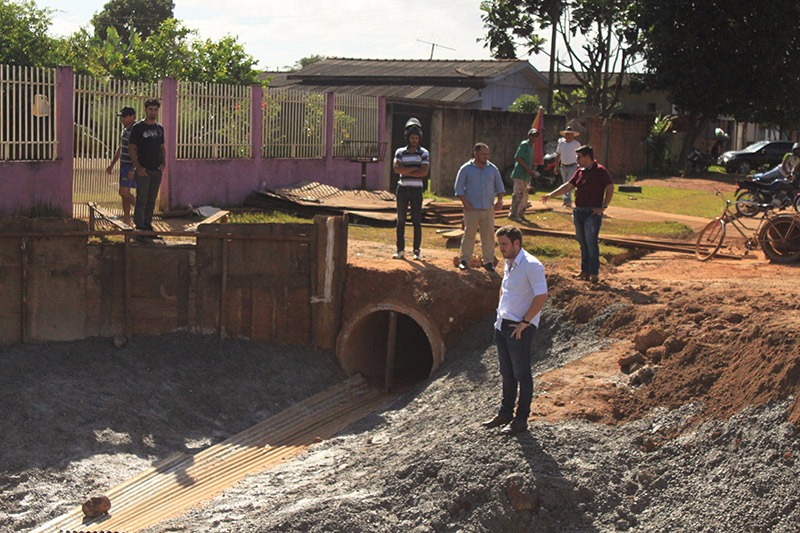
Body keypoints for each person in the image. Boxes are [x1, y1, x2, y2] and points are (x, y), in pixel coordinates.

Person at [482, 225, 549, 435]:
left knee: (522, 374)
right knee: (507, 372)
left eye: (504, 244)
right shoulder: (509, 263)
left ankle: (521, 420)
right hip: (502, 324)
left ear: (516, 243)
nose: (500, 248)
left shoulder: (532, 265)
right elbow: (505, 288)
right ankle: (505, 413)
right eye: (499, 244)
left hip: (519, 327)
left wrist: (526, 322)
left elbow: (542, 296)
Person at [541, 145, 613, 283]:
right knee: (582, 242)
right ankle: (584, 271)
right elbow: (569, 185)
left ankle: (594, 273)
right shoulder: (580, 171)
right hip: (579, 211)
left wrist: (604, 206)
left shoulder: (600, 171)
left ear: (587, 157)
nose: (577, 160)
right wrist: (551, 194)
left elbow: (610, 186)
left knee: (591, 243)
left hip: (592, 212)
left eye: (579, 157)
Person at [454, 143, 506, 272]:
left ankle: (488, 261)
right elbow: (458, 188)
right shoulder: (466, 169)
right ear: (475, 153)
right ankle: (465, 260)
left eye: (487, 154)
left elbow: (500, 187)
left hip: (488, 208)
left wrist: (500, 201)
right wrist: (465, 203)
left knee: (488, 235)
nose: (486, 157)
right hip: (471, 209)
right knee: (469, 234)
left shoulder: (492, 169)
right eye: (483, 154)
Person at [128, 98, 166, 241]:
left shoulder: (159, 129)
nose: (153, 112)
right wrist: (138, 167)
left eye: (155, 109)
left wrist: (164, 164)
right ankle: (139, 227)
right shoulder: (138, 128)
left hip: (156, 170)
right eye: (150, 109)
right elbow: (132, 148)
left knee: (152, 200)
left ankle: (148, 226)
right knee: (141, 199)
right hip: (143, 170)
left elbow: (162, 148)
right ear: (145, 110)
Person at [392, 118, 430, 260]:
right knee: (400, 220)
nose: (414, 140)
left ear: (419, 138)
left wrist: (405, 170)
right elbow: (396, 169)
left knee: (416, 220)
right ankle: (400, 250)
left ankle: (416, 251)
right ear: (407, 138)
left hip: (416, 190)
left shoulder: (424, 152)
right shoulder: (400, 151)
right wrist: (415, 168)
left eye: (416, 138)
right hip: (402, 189)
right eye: (412, 137)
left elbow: (424, 172)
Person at [105, 106, 136, 226]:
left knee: (123, 192)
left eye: (124, 116)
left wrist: (133, 168)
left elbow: (137, 150)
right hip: (123, 164)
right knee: (124, 195)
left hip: (130, 164)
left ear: (132, 117)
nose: (122, 119)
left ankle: (141, 209)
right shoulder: (125, 129)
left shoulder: (135, 130)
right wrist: (112, 164)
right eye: (121, 116)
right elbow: (121, 147)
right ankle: (127, 219)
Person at [509, 128, 540, 222]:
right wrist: (528, 169)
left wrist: (532, 168)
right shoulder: (524, 144)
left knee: (525, 196)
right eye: (533, 135)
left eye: (536, 136)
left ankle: (521, 214)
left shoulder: (531, 147)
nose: (534, 138)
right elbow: (518, 158)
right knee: (518, 194)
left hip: (526, 175)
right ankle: (513, 214)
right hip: (519, 174)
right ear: (529, 136)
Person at [554, 126, 582, 208]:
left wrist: (580, 165)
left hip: (573, 165)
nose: (569, 136)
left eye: (570, 134)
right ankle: (566, 200)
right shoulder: (561, 144)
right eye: (567, 134)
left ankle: (567, 201)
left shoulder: (576, 144)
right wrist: (556, 166)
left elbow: (580, 155)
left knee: (568, 183)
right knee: (564, 183)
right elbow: (558, 155)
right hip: (563, 166)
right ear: (565, 135)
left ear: (573, 135)